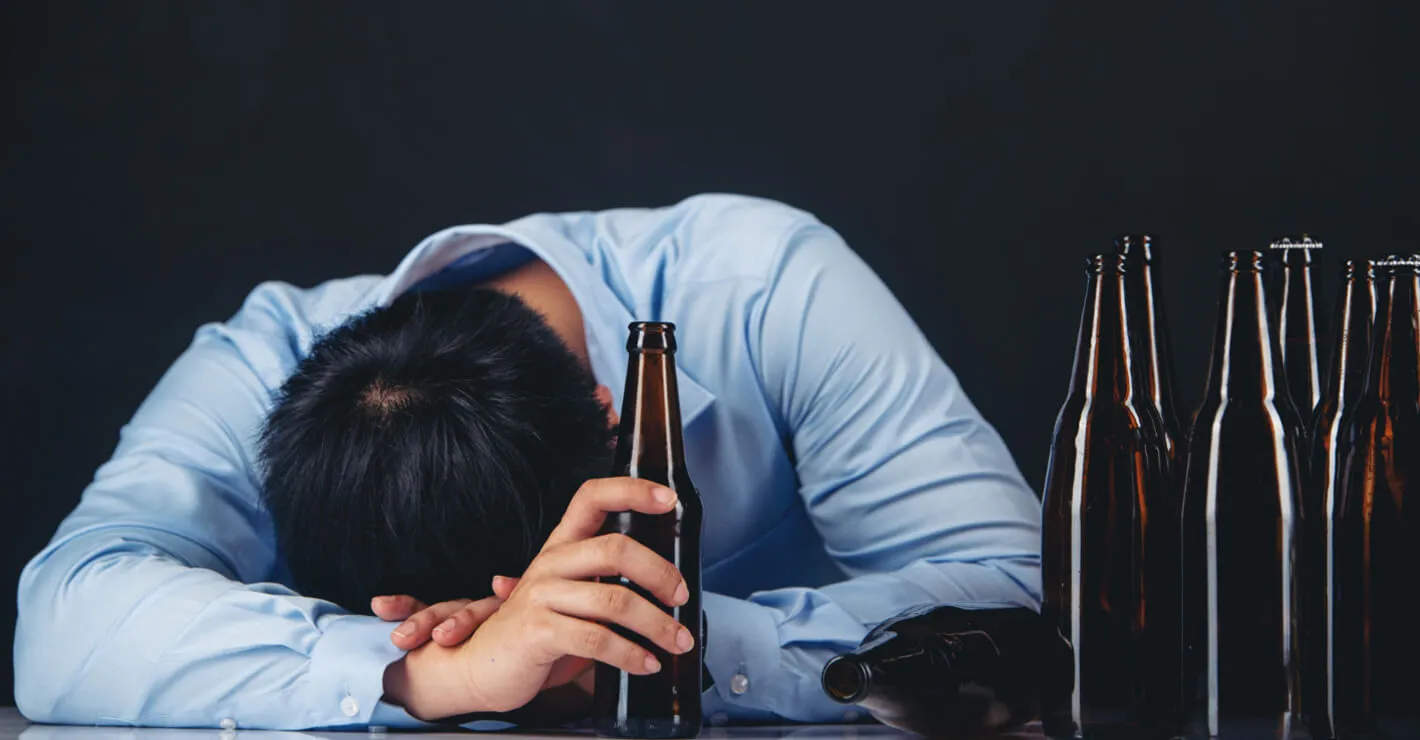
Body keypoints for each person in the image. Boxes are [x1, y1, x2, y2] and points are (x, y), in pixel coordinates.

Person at [14, 194, 1042, 730]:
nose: (525, 638)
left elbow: (1029, 597)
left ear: (613, 425)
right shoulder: (261, 362)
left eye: (520, 607)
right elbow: (63, 621)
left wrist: (633, 644)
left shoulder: (767, 289)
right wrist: (425, 671)